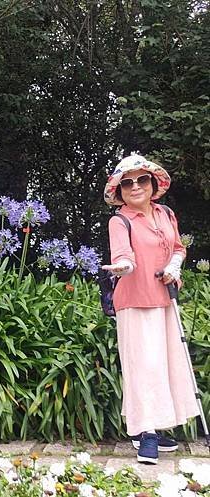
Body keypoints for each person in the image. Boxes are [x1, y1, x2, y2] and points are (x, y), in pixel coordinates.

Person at [102, 154, 198, 465]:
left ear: (153, 182)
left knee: (167, 363)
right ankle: (146, 434)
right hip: (134, 299)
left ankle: (156, 426)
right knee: (143, 366)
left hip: (165, 298)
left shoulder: (166, 213)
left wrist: (174, 266)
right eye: (127, 182)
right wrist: (124, 266)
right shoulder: (120, 220)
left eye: (141, 179)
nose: (135, 186)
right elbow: (123, 253)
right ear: (119, 190)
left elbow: (179, 249)